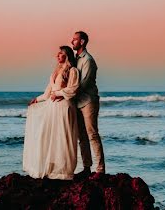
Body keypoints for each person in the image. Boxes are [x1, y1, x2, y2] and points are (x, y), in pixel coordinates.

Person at [22, 45, 80, 180]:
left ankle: (64, 171)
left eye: (60, 54)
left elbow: (73, 89)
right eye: (57, 54)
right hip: (52, 107)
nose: (57, 56)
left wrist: (59, 93)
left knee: (62, 137)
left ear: (66, 55)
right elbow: (48, 93)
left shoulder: (72, 71)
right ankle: (52, 169)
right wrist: (36, 99)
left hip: (64, 107)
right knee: (50, 137)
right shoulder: (55, 72)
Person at [72, 30, 105, 175]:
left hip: (88, 101)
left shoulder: (88, 60)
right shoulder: (75, 58)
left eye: (74, 39)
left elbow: (83, 84)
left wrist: (64, 95)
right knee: (81, 136)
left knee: (92, 134)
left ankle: (100, 169)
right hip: (77, 102)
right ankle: (86, 168)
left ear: (82, 42)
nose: (72, 41)